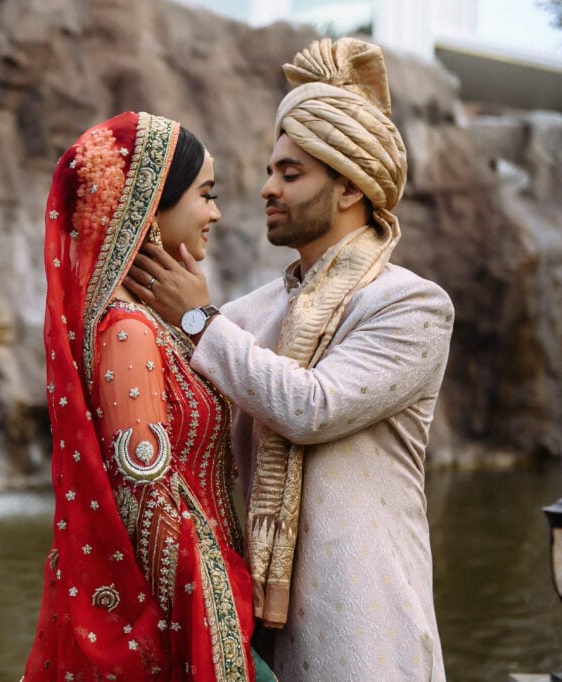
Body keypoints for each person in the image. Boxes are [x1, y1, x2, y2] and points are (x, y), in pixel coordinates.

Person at [126, 38, 453, 681]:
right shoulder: (244, 315)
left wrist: (196, 319)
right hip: (251, 628)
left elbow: (312, 407)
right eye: (271, 169)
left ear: (350, 188)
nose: (267, 189)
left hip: (364, 626)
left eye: (291, 173)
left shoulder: (412, 305)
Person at [22, 111, 275, 680]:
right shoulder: (129, 330)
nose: (215, 212)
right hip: (185, 616)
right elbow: (148, 499)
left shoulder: (158, 327)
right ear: (153, 208)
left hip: (206, 594)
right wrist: (217, 627)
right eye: (205, 195)